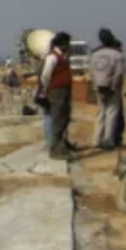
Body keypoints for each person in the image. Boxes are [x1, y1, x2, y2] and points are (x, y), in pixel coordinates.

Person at [38, 31, 74, 159]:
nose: (69, 46)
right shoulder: (52, 57)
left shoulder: (62, 56)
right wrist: (45, 89)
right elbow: (45, 75)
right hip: (56, 92)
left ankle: (61, 146)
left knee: (64, 118)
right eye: (67, 43)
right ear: (63, 44)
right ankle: (55, 151)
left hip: (64, 91)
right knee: (58, 120)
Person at [89, 28, 125, 150]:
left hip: (98, 87)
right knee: (111, 114)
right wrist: (113, 86)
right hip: (112, 88)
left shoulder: (94, 54)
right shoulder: (117, 54)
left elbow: (91, 72)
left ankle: (96, 140)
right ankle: (108, 141)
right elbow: (119, 73)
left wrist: (95, 86)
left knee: (100, 114)